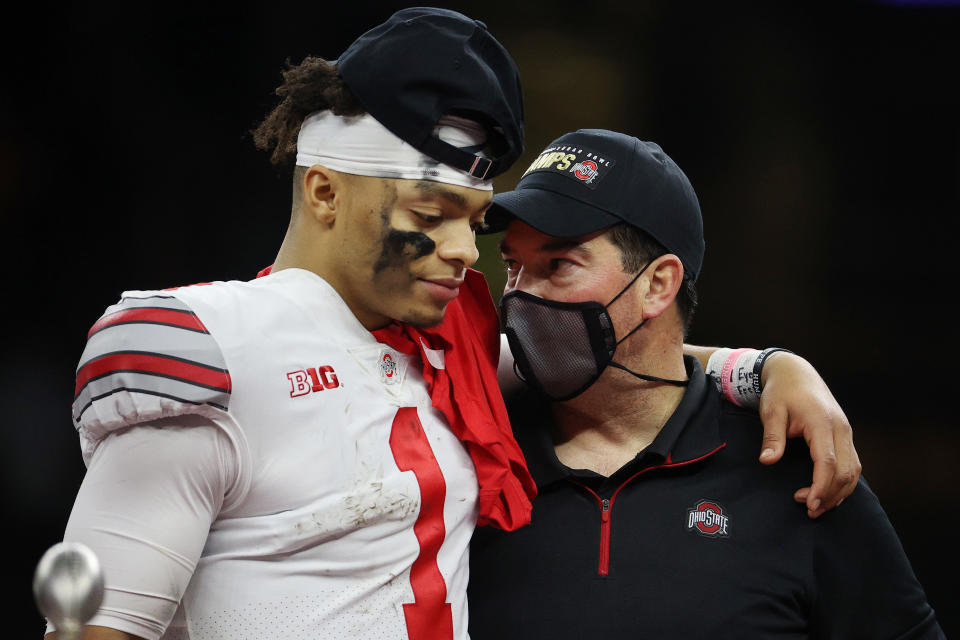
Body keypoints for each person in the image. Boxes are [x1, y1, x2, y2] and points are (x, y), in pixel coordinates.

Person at [48, 10, 858, 640]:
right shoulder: (206, 351)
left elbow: (630, 354)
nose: (466, 251)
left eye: (475, 220)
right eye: (431, 215)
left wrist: (768, 367)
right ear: (325, 191)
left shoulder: (454, 346)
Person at [467, 129, 945, 638]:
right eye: (514, 265)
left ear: (657, 285)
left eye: (558, 264)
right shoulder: (470, 453)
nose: (519, 296)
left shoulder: (791, 471)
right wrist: (768, 366)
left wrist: (775, 367)